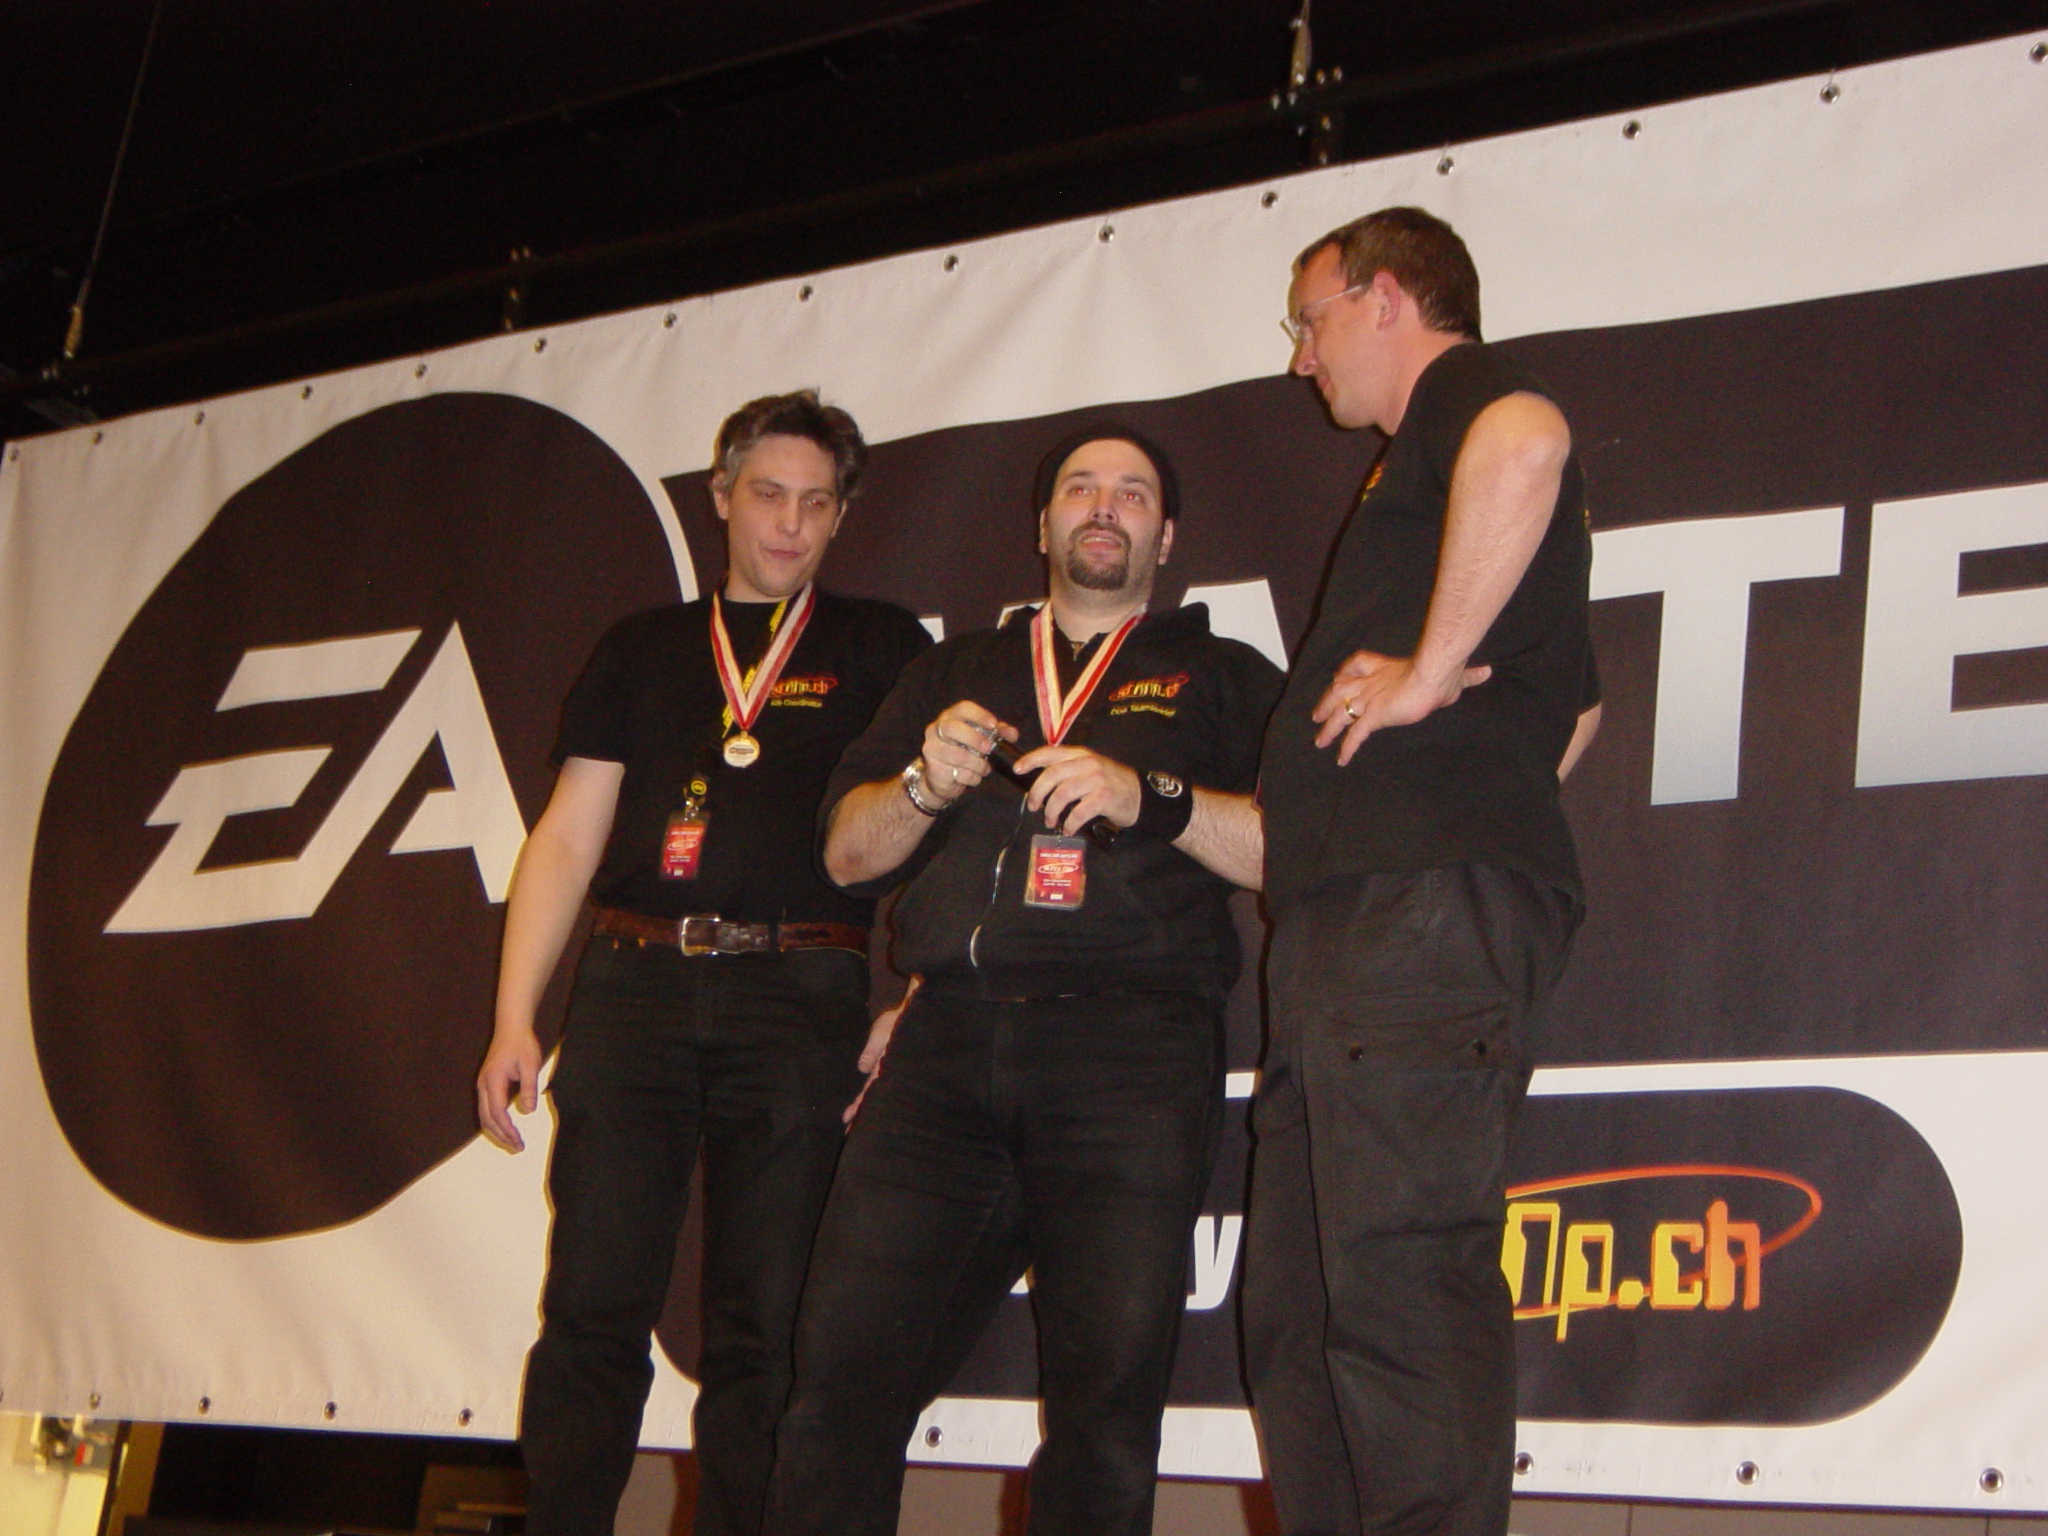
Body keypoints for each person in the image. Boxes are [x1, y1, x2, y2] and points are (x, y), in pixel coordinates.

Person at [762, 427, 1280, 1536]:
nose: (1104, 507)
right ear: (1041, 524)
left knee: (1103, 1424)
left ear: (1166, 536)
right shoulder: (949, 674)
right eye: (1080, 488)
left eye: (1133, 493)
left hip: (1130, 1060)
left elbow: (1299, 851)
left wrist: (1154, 799)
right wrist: (923, 784)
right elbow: (845, 856)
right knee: (835, 1392)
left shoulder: (1224, 676)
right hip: (942, 1053)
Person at [475, 390, 933, 1536]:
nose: (789, 524)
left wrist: (917, 991)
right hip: (632, 987)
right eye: (768, 495)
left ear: (841, 517)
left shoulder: (883, 646)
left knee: (763, 1330)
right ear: (721, 496)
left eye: (815, 504)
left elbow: (944, 828)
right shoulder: (641, 647)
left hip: (800, 996)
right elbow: (567, 837)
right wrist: (513, 1016)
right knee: (590, 1309)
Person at [1243, 207, 1602, 1536]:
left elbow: (1530, 442)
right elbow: (1576, 711)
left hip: (1413, 914)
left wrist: (1429, 675)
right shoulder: (1416, 483)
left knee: (1393, 1287)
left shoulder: (1467, 398)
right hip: (1354, 919)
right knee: (1298, 1317)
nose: (1300, 358)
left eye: (1311, 320)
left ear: (1386, 297)